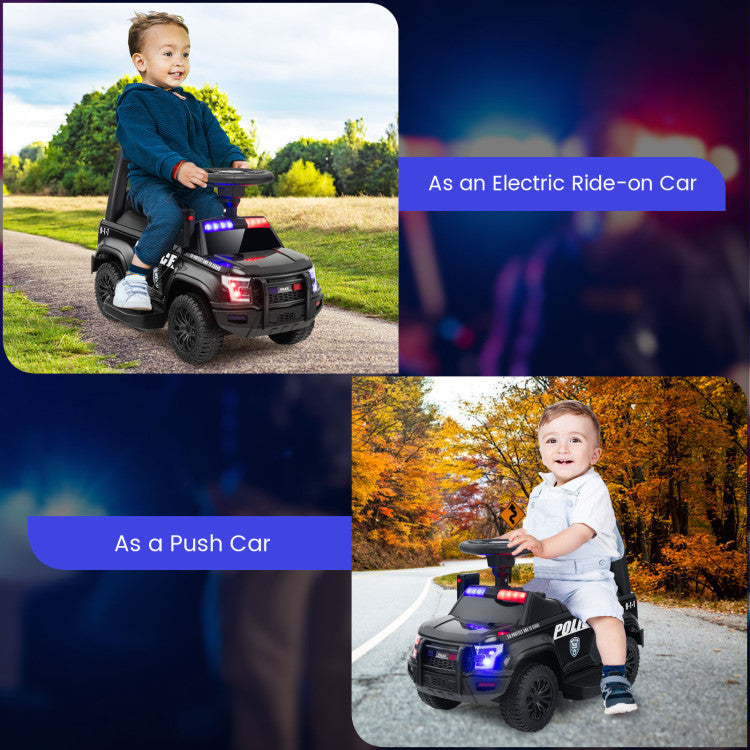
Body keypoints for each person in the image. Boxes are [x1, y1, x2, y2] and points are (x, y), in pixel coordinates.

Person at [503, 399, 637, 714]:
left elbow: (579, 531)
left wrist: (543, 547)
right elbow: (530, 531)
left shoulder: (593, 489)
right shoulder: (539, 491)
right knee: (511, 612)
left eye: (574, 440)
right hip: (547, 578)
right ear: (541, 450)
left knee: (606, 617)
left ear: (595, 454)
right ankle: (508, 667)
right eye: (552, 440)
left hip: (585, 579)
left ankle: (615, 681)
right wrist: (509, 540)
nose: (562, 448)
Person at [113, 11, 251, 310]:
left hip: (190, 183)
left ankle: (219, 272)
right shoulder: (134, 102)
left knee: (216, 211)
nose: (179, 61)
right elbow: (144, 145)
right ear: (141, 62)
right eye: (168, 53)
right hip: (151, 183)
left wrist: (234, 160)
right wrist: (177, 166)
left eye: (185, 54)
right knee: (169, 216)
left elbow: (217, 140)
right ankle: (135, 278)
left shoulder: (195, 106)